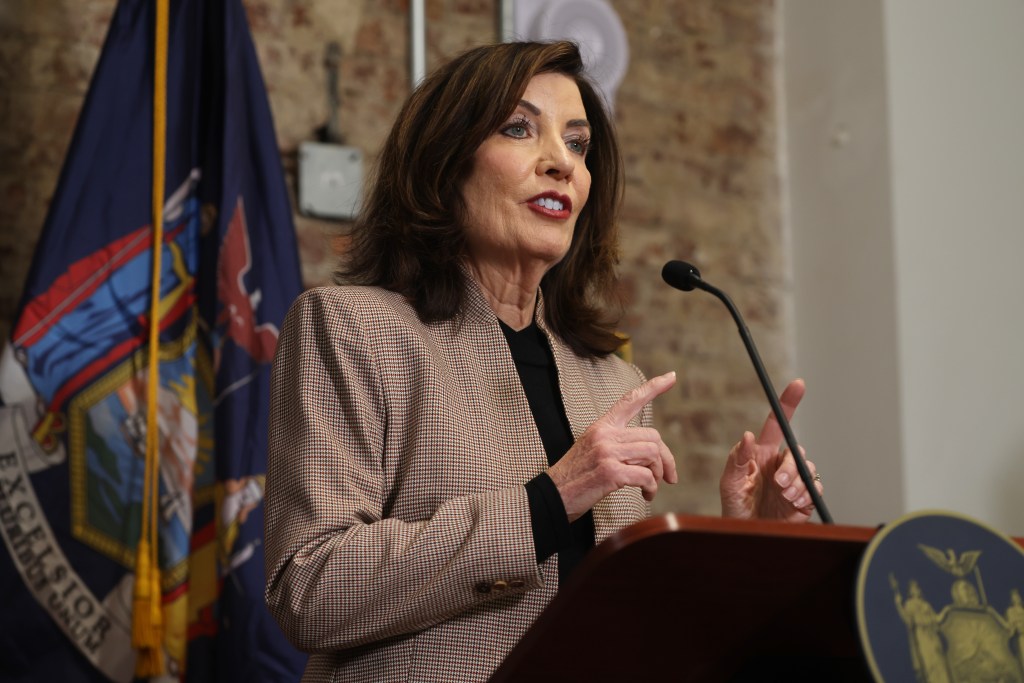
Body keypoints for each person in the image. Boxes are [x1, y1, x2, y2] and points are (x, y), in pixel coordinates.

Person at [264, 40, 823, 683]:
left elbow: (639, 630)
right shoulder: (354, 330)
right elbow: (307, 588)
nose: (561, 161)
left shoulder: (611, 380)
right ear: (446, 163)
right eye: (519, 128)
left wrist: (748, 540)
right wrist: (549, 503)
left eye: (578, 144)